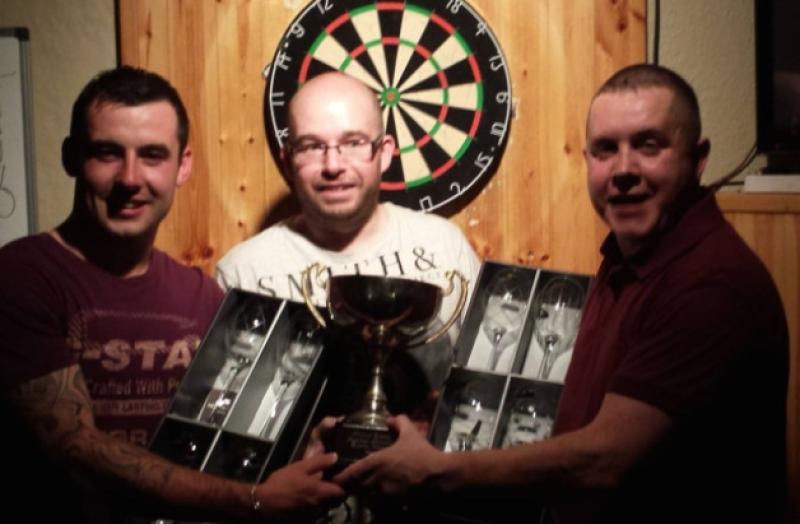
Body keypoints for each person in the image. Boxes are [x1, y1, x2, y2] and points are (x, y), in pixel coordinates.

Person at [332, 64, 789, 523]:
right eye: (606, 149)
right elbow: (588, 418)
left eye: (648, 145)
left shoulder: (709, 282)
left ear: (698, 156)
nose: (624, 169)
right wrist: (456, 417)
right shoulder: (628, 261)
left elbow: (604, 459)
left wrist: (437, 470)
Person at [0, 66, 344, 522]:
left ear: (182, 166)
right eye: (106, 153)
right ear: (71, 158)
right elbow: (73, 447)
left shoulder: (201, 295)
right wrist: (255, 499)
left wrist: (302, 442)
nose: (129, 178)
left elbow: (222, 429)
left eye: (152, 155)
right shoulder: (22, 275)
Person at [216, 72, 481, 400]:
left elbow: (482, 392)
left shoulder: (445, 246)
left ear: (383, 153)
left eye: (353, 143)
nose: (332, 165)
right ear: (287, 161)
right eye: (312, 146)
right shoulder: (244, 271)